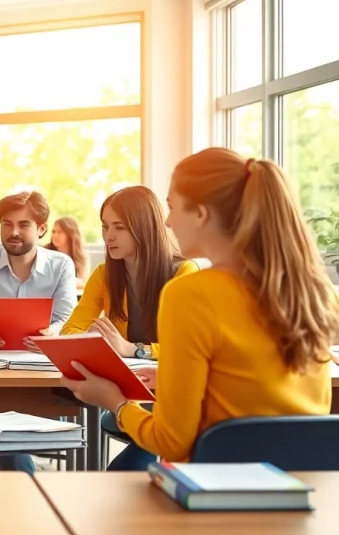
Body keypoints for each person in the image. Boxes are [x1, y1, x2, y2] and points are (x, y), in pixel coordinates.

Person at [64, 148, 337, 465]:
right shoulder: (315, 291)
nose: (167, 220)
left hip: (215, 494)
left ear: (201, 213)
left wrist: (116, 402)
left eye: (171, 206)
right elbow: (259, 388)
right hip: (301, 494)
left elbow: (171, 442)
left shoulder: (190, 293)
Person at [59, 186, 198, 471]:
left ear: (144, 227)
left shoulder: (184, 273)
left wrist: (134, 350)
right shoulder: (104, 275)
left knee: (136, 453)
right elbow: (70, 331)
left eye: (119, 227)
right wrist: (92, 343)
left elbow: (186, 349)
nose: (108, 236)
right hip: (123, 389)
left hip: (168, 393)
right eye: (105, 226)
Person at [0, 191, 77, 474]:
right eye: (6, 223)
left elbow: (68, 319)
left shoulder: (61, 266)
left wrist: (55, 333)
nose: (13, 232)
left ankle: (25, 476)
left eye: (24, 225)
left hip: (46, 369)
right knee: (1, 416)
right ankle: (26, 479)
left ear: (41, 229)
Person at [45, 217, 89, 289]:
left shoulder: (82, 256)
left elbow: (83, 283)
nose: (55, 235)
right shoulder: (44, 252)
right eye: (53, 231)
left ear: (70, 234)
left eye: (59, 232)